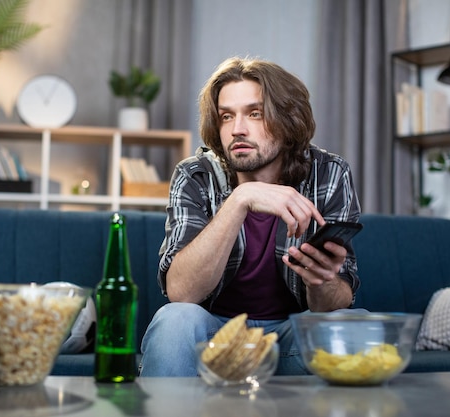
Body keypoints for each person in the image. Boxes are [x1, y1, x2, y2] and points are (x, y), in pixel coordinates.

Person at [138, 56, 362, 376]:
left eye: (254, 114)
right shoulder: (196, 175)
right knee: (176, 320)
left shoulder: (329, 173)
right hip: (213, 337)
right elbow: (182, 292)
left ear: (289, 121)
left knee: (350, 325)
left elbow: (336, 304)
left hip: (291, 338)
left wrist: (322, 282)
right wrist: (240, 199)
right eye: (226, 117)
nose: (237, 130)